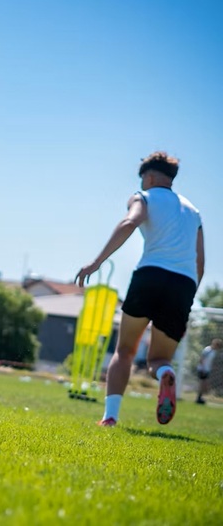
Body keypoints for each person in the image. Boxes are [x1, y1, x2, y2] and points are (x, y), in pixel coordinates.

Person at [75, 151, 204, 427]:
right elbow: (200, 261)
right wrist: (189, 293)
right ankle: (166, 373)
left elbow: (130, 222)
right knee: (158, 358)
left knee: (124, 351)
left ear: (150, 176)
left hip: (150, 275)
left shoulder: (143, 197)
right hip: (184, 283)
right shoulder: (193, 211)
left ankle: (110, 417)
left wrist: (96, 262)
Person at [196, 338, 222, 404]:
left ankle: (200, 397)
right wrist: (203, 368)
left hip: (207, 369)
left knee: (205, 384)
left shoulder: (214, 352)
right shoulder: (208, 350)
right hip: (202, 369)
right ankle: (198, 398)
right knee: (202, 383)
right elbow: (202, 359)